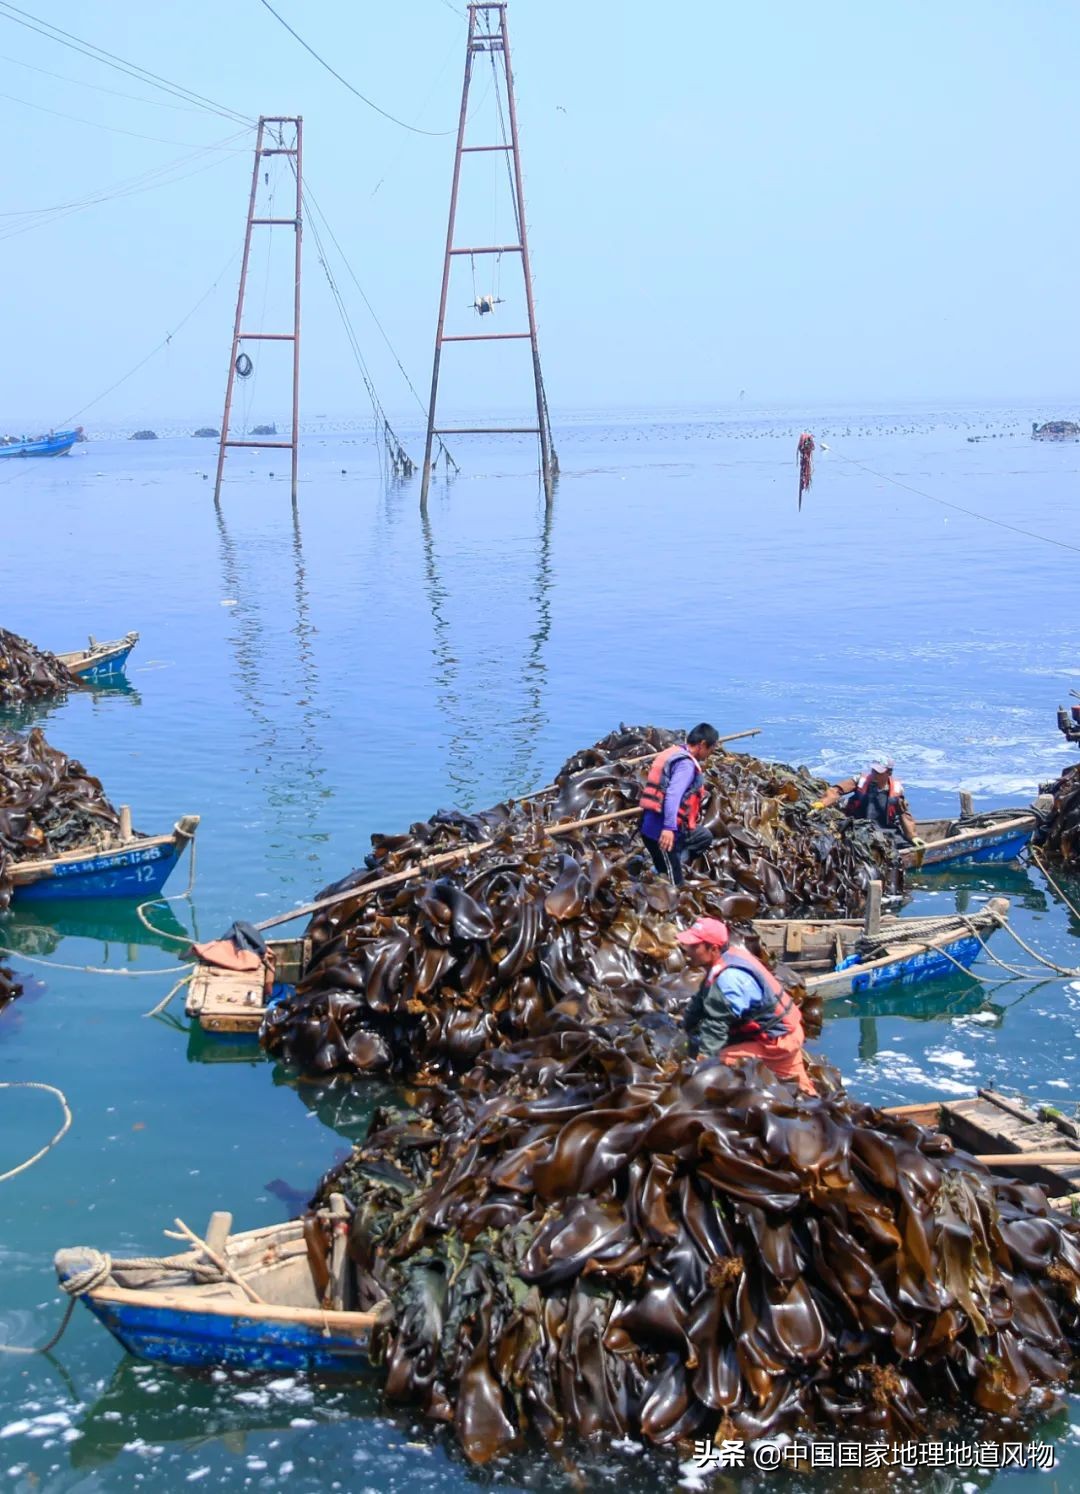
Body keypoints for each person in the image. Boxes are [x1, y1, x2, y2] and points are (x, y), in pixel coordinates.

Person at [676, 916, 815, 1095]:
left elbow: (716, 1026)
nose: (688, 950)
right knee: (801, 1089)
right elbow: (700, 1000)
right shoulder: (728, 958)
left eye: (695, 946)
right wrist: (685, 1026)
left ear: (713, 948)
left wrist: (702, 1064)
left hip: (777, 1042)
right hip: (786, 1031)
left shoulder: (729, 979)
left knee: (719, 1065)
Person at [638, 723, 719, 885]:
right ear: (702, 744)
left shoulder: (675, 752)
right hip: (660, 834)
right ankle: (663, 870)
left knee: (704, 837)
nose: (710, 754)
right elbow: (672, 796)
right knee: (675, 885)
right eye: (711, 750)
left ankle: (662, 866)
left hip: (650, 825)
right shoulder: (686, 765)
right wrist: (669, 828)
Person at [813, 755, 922, 846]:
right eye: (873, 770)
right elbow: (836, 790)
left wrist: (913, 836)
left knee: (903, 846)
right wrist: (822, 803)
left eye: (878, 772)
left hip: (885, 830)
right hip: (857, 827)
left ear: (889, 773)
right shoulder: (860, 780)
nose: (874, 774)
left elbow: (904, 815)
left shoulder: (897, 790)